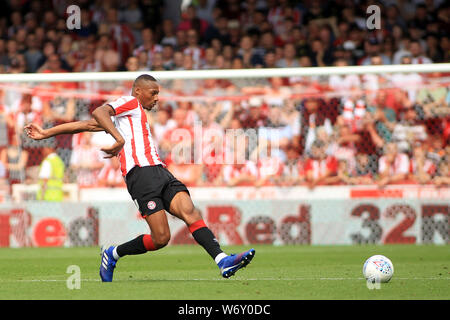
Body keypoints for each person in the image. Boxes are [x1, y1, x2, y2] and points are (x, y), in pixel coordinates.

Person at [24, 74, 255, 282]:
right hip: (140, 176)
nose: (156, 98)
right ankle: (113, 253)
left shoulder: (130, 116)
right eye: (153, 93)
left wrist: (46, 133)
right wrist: (118, 139)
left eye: (158, 94)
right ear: (138, 91)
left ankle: (222, 260)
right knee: (161, 238)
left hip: (160, 170)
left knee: (190, 212)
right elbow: (97, 113)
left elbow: (84, 125)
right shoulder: (130, 102)